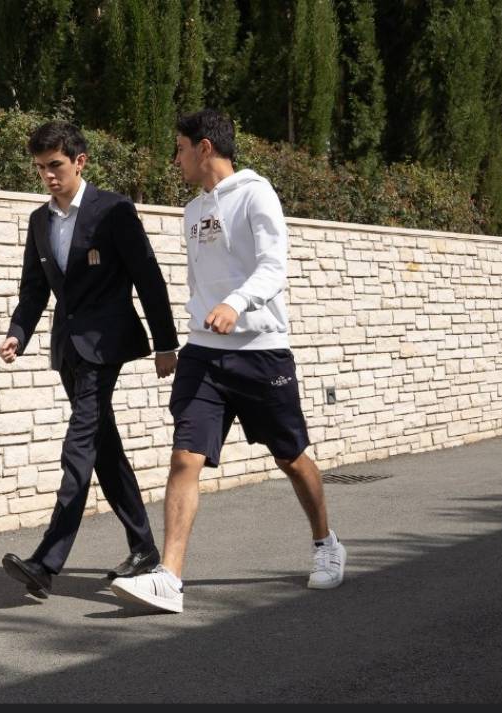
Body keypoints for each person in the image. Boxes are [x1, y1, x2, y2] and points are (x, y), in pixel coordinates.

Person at [110, 109, 345, 614]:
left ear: (205, 148)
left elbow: (273, 267)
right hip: (204, 354)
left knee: (291, 458)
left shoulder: (257, 194)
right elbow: (199, 283)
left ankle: (326, 543)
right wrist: (183, 335)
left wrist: (236, 304)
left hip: (260, 352)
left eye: (180, 148)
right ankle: (169, 578)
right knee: (184, 457)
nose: (175, 159)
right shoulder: (193, 211)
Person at [0, 121, 179, 598]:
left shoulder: (113, 210)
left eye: (55, 165)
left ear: (80, 161)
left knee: (78, 447)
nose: (47, 176)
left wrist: (166, 343)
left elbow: (149, 277)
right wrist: (18, 333)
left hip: (105, 344)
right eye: (40, 168)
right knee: (103, 448)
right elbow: (34, 290)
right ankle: (144, 548)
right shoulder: (39, 221)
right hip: (68, 348)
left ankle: (46, 562)